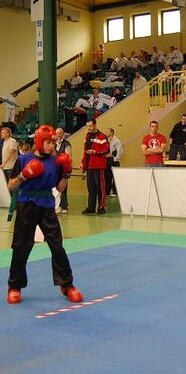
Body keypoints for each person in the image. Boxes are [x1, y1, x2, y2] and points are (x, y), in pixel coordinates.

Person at [6, 125, 83, 305]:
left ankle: (67, 285)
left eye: (53, 143)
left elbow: (60, 188)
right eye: (48, 142)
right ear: (39, 142)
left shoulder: (56, 162)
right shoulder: (24, 159)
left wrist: (66, 173)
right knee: (21, 246)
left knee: (57, 246)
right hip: (26, 204)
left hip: (47, 206)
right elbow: (11, 185)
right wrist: (24, 175)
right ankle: (14, 286)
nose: (51, 146)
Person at [80, 119, 110, 214]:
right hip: (89, 166)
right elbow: (85, 151)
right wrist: (83, 163)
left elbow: (107, 150)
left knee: (100, 188)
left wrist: (95, 152)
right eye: (87, 126)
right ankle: (91, 207)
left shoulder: (102, 136)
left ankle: (101, 207)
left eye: (90, 126)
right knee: (91, 188)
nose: (89, 128)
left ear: (95, 125)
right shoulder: (87, 136)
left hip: (98, 166)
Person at [55, 128, 72, 213]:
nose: (58, 135)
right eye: (57, 133)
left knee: (63, 188)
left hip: (63, 167)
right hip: (55, 168)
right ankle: (57, 205)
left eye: (60, 133)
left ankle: (64, 206)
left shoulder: (66, 144)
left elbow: (68, 156)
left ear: (63, 134)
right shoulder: (54, 143)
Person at [105, 128, 123, 197]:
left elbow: (120, 151)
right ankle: (107, 192)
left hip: (114, 161)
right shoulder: (106, 141)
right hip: (107, 161)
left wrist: (115, 159)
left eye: (108, 131)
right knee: (107, 177)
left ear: (112, 132)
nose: (106, 132)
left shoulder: (116, 141)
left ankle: (115, 192)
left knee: (115, 177)